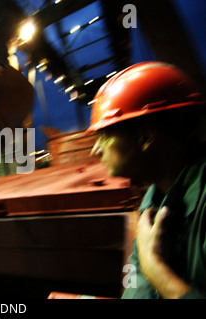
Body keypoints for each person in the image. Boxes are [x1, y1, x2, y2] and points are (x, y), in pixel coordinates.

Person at [87, 61, 206, 299]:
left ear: (145, 137)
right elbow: (136, 286)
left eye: (105, 137)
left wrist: (154, 266)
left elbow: (145, 270)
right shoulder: (154, 199)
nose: (95, 150)